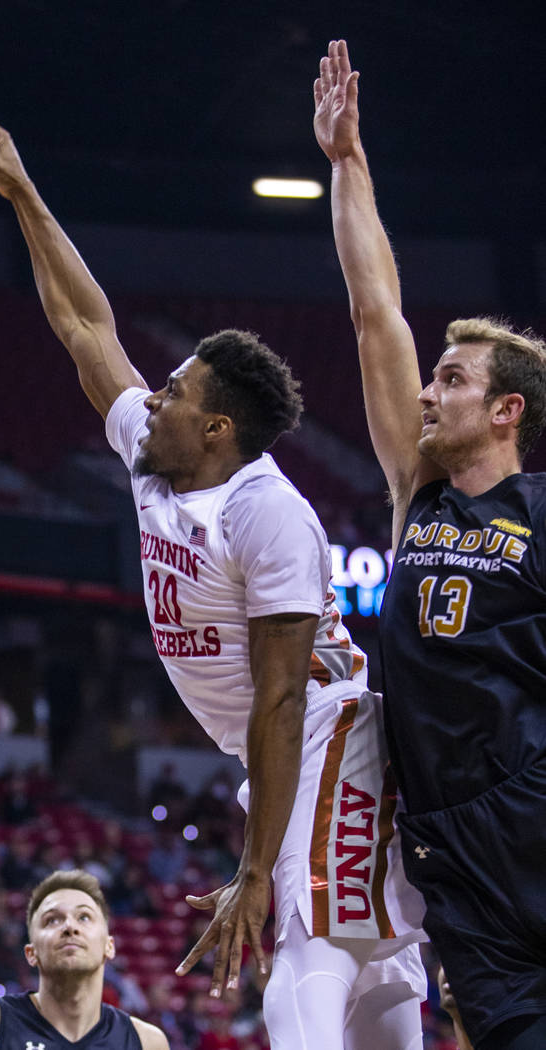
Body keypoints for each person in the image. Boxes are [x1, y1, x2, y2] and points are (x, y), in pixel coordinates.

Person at [0, 111, 426, 1049]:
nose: (153, 396)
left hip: (332, 723)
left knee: (301, 943)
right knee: (374, 971)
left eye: (174, 391)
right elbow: (86, 326)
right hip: (281, 753)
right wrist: (20, 190)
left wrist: (255, 869)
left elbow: (285, 695)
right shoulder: (153, 451)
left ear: (218, 430)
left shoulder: (268, 513)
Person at [314, 38, 546, 1050]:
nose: (425, 389)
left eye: (450, 379)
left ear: (506, 411)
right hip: (451, 841)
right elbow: (376, 315)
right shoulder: (419, 496)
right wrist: (348, 164)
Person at [0, 869, 169, 1050]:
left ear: (109, 946)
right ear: (31, 954)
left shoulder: (147, 1042)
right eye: (52, 920)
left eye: (84, 917)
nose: (70, 927)